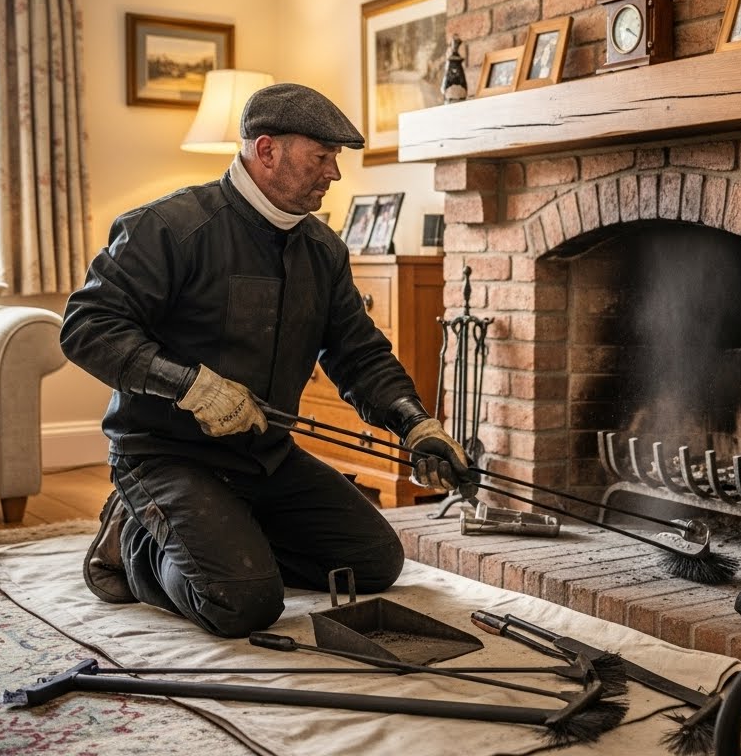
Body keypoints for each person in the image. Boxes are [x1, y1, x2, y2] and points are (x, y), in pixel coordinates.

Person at [60, 83, 472, 638]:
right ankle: (133, 542)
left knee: (375, 563)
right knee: (243, 604)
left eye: (337, 159)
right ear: (267, 149)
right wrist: (191, 387)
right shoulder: (167, 227)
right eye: (322, 157)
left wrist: (414, 422)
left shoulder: (324, 250)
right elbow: (87, 327)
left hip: (266, 457)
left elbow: (357, 350)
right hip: (165, 454)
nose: (334, 173)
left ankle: (228, 539)